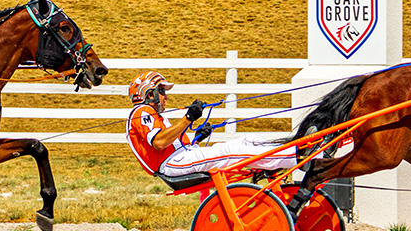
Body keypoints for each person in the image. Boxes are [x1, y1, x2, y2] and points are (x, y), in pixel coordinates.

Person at [126, 71, 297, 178]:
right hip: (172, 164)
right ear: (149, 95)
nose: (166, 97)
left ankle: (287, 152)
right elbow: (159, 142)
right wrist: (188, 118)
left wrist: (197, 139)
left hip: (181, 158)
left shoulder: (154, 116)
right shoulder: (142, 112)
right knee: (232, 152)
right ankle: (297, 157)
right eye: (162, 91)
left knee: (247, 140)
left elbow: (171, 145)